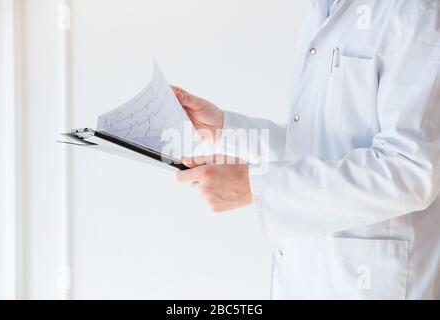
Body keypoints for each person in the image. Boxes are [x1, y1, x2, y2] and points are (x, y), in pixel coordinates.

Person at [173, 0, 440, 299]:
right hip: (308, 277)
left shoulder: (417, 10)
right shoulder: (321, 8)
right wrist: (223, 129)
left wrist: (257, 186)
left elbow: (410, 170)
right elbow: (315, 145)